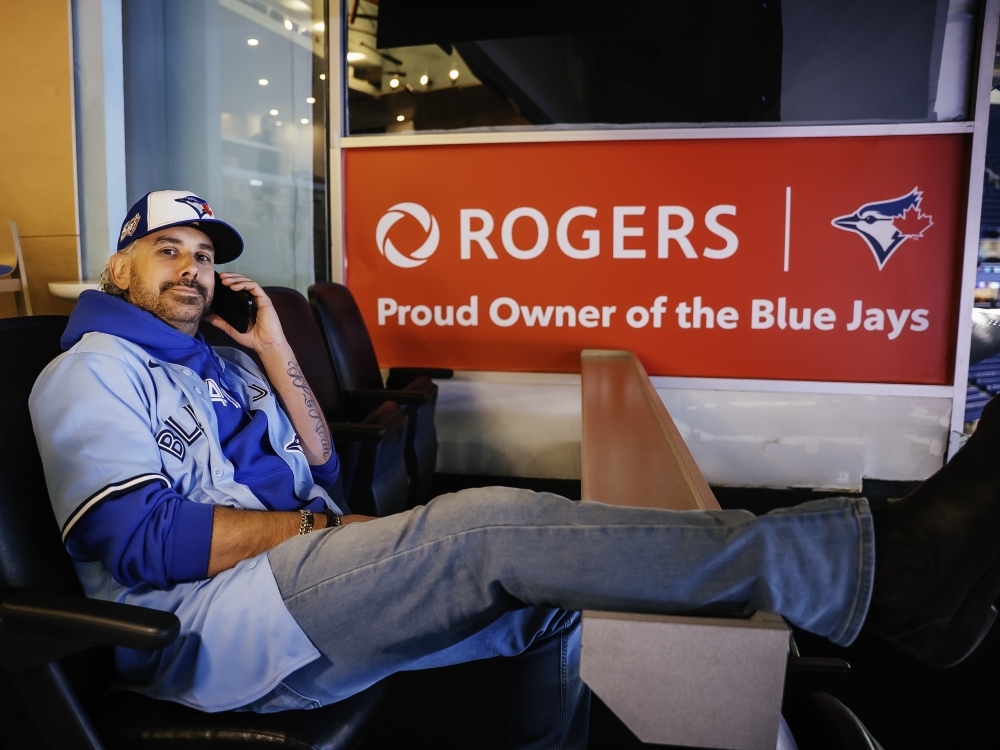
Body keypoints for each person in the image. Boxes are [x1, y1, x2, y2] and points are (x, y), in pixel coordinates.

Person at [29, 190, 1000, 749]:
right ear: (120, 268)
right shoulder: (89, 370)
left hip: (306, 591)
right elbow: (136, 540)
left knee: (556, 595)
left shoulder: (219, 359)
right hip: (213, 634)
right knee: (488, 532)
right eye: (169, 252)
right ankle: (880, 573)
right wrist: (334, 532)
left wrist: (274, 344)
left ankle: (871, 585)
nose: (194, 270)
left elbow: (321, 455)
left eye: (203, 255)